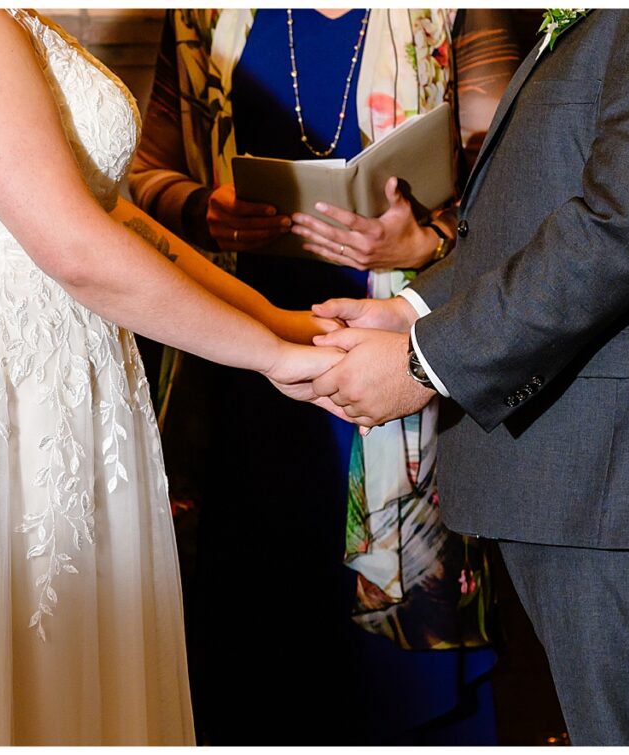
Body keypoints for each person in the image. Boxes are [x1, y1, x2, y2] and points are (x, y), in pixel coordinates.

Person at [308, 9, 629, 746]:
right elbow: (549, 209)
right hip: (607, 477)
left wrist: (428, 363)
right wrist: (414, 307)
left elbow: (627, 222)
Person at [0, 9, 342, 745]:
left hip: (36, 387)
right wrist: (271, 358)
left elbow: (114, 217)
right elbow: (77, 247)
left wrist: (274, 321)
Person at [128, 8, 532, 745]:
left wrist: (429, 237)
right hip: (243, 375)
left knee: (391, 686)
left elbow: (523, 175)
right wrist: (202, 207)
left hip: (399, 372)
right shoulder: (203, 12)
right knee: (252, 649)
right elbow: (141, 171)